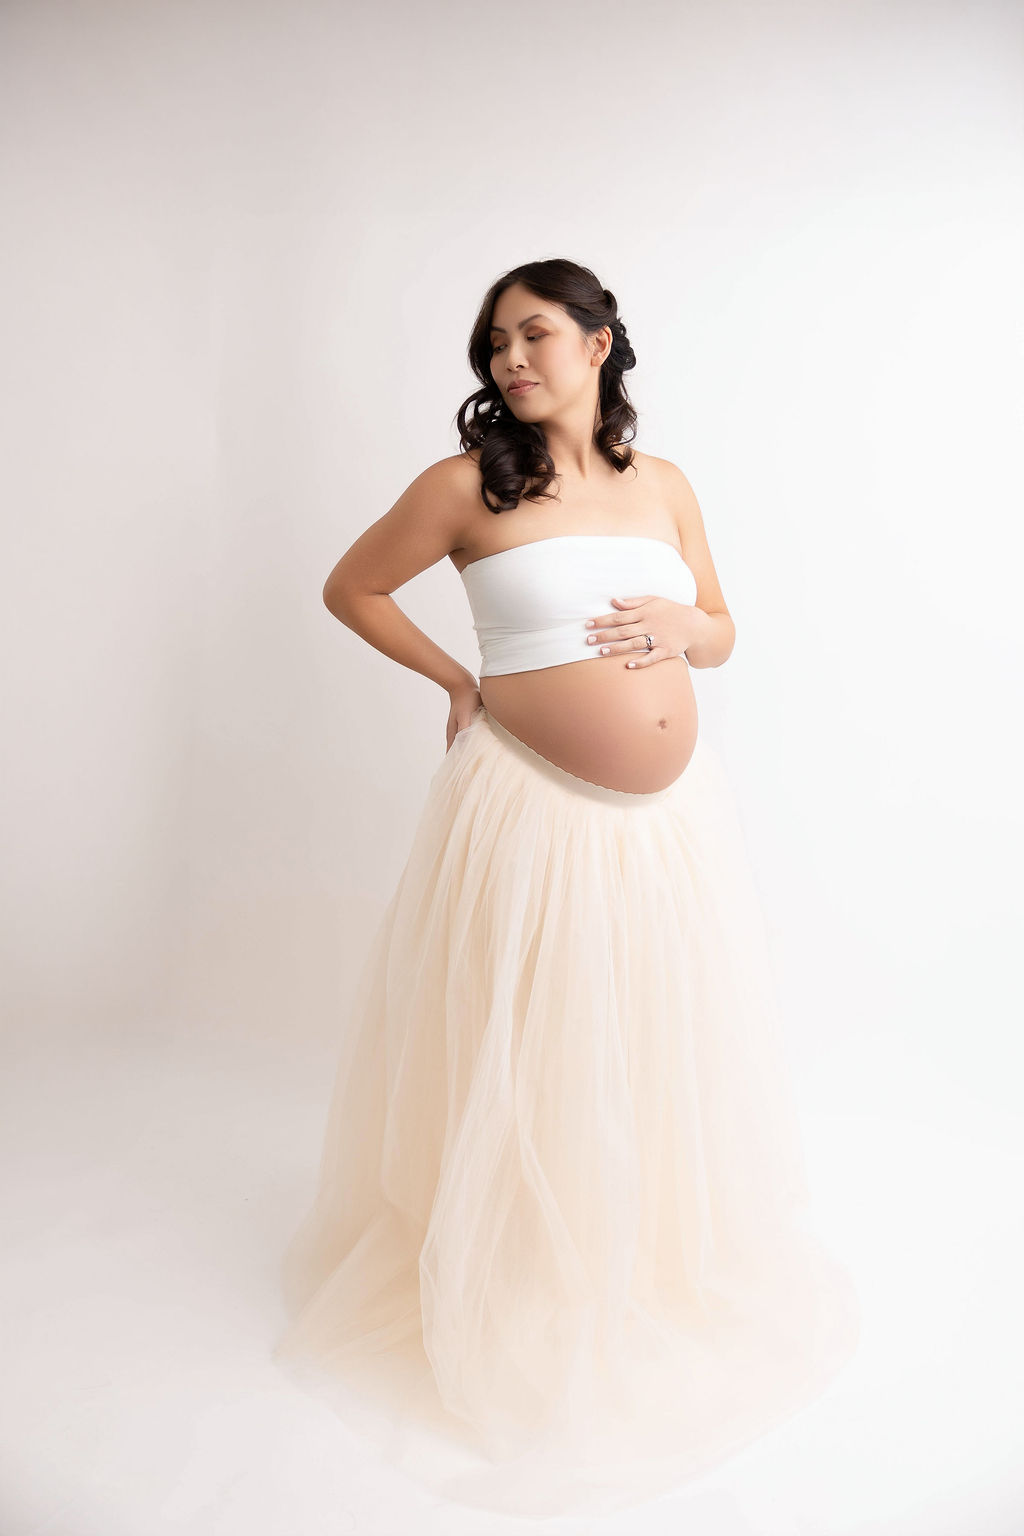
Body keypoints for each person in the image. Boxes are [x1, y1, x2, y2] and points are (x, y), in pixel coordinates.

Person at [273, 258, 861, 1520]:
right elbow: (351, 586)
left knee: (650, 1041)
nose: (509, 361)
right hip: (531, 809)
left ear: (602, 344)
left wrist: (685, 634)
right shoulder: (462, 488)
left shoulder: (665, 486)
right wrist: (454, 681)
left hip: (667, 825)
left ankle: (635, 1259)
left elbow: (721, 626)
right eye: (493, 345)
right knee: (530, 1039)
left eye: (535, 334)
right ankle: (522, 1273)